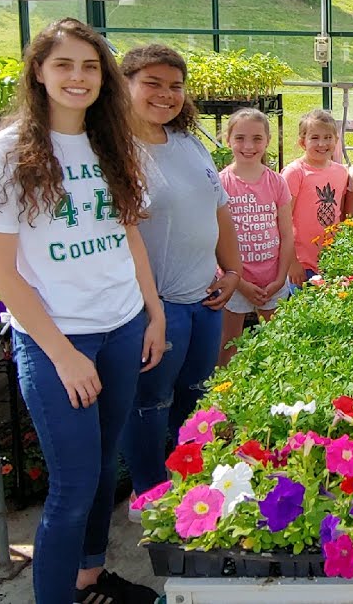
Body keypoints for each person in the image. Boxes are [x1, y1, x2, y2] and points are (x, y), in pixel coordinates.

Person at [0, 18, 165, 604]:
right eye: (64, 65)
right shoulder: (5, 154)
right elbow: (2, 271)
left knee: (104, 470)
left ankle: (90, 577)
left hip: (122, 328)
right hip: (57, 342)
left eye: (90, 66)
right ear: (39, 73)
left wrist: (154, 313)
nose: (78, 78)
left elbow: (130, 237)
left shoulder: (112, 144)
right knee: (73, 485)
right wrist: (63, 355)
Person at [116, 45, 244, 502]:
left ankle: (192, 488)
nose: (166, 94)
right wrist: (154, 311)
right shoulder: (116, 153)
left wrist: (232, 271)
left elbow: (220, 209)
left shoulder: (188, 143)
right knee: (149, 403)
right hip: (158, 306)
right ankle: (150, 494)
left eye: (175, 85)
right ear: (123, 85)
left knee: (194, 397)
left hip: (205, 299)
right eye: (152, 83)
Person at [218, 108, 294, 361]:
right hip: (235, 282)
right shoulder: (221, 183)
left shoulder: (276, 182)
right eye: (239, 138)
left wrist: (280, 278)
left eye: (257, 139)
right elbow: (215, 239)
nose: (248, 146)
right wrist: (239, 282)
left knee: (279, 344)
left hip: (273, 278)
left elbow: (286, 234)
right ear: (227, 139)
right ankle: (223, 396)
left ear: (268, 141)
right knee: (228, 345)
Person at [282, 109, 349, 284]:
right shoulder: (295, 173)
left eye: (328, 137)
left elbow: (339, 214)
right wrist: (292, 262)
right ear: (302, 142)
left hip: (332, 258)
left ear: (336, 140)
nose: (322, 143)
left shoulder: (341, 172)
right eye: (315, 138)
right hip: (302, 263)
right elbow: (282, 220)